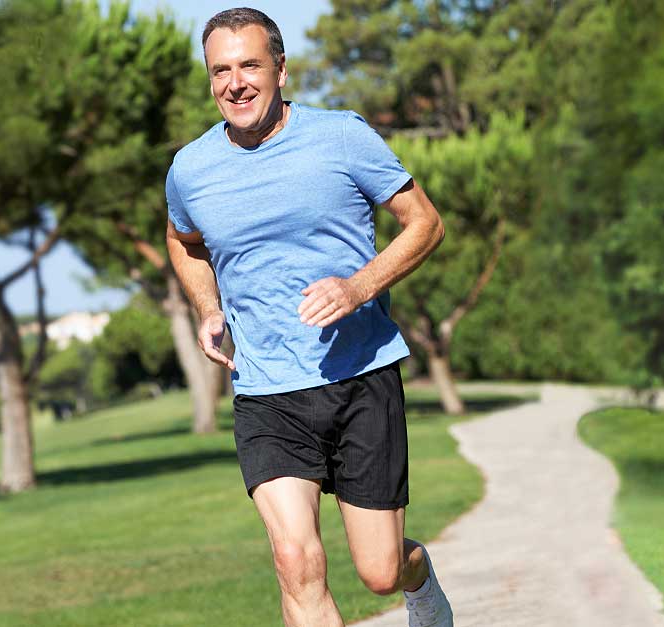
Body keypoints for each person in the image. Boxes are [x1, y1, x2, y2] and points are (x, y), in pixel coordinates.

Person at [164, 8, 453, 627]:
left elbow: (425, 223)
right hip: (267, 390)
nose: (235, 84)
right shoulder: (190, 168)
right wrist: (209, 307)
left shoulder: (341, 137)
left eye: (249, 66)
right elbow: (182, 240)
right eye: (220, 71)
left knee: (380, 572)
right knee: (296, 562)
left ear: (281, 69)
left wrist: (358, 286)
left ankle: (419, 579)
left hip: (360, 376)